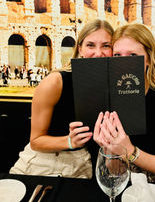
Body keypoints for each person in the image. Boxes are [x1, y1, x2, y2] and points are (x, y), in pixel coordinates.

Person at [10, 19, 114, 178]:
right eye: (90, 45)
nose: (98, 52)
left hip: (86, 164)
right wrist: (69, 141)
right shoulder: (55, 82)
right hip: (45, 163)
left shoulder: (114, 84)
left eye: (106, 45)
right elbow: (36, 141)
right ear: (80, 49)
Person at [94, 23, 155, 183]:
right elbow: (114, 170)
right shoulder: (109, 97)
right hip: (126, 181)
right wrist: (110, 150)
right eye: (117, 56)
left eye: (133, 55)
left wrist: (130, 151)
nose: (124, 62)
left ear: (148, 59)